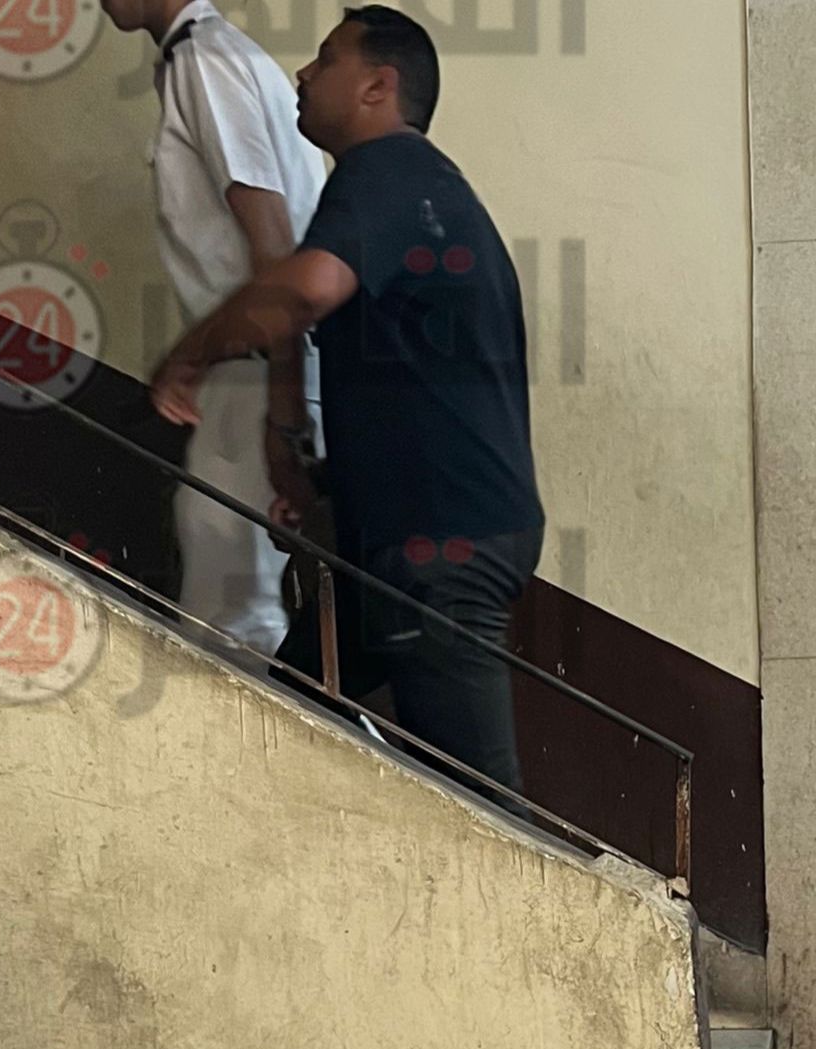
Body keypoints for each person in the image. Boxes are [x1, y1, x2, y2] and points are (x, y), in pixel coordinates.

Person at [149, 5, 545, 811]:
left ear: (376, 87)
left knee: (484, 811)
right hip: (406, 535)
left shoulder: (386, 172)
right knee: (289, 712)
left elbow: (303, 290)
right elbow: (403, 372)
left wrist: (191, 354)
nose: (302, 73)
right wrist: (321, 481)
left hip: (439, 542)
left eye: (325, 58)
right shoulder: (406, 188)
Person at [99, 0, 327, 656]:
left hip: (260, 371)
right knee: (234, 611)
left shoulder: (206, 60)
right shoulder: (207, 58)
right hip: (263, 368)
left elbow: (273, 250)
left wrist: (275, 407)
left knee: (232, 631)